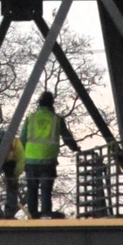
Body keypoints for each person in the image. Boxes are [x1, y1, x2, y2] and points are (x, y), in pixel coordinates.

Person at [20, 89, 78, 218]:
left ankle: (32, 215)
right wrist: (75, 148)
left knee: (32, 190)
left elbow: (22, 139)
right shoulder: (57, 119)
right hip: (48, 160)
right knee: (46, 190)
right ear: (52, 103)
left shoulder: (30, 118)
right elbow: (67, 136)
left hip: (30, 160)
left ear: (39, 103)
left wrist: (20, 157)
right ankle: (46, 215)